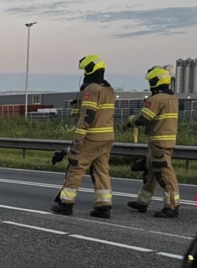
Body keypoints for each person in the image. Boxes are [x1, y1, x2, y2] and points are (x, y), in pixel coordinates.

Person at [52, 55, 115, 218]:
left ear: (90, 69)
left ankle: (66, 204)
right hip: (107, 137)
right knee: (102, 170)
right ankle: (103, 206)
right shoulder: (109, 89)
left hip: (91, 137)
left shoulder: (91, 89)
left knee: (76, 168)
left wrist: (78, 139)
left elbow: (88, 115)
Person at [126, 66, 180, 218]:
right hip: (167, 140)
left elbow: (144, 119)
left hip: (158, 141)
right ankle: (142, 202)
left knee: (164, 173)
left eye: (151, 80)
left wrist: (131, 121)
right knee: (151, 172)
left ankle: (172, 206)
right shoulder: (172, 98)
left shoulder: (156, 99)